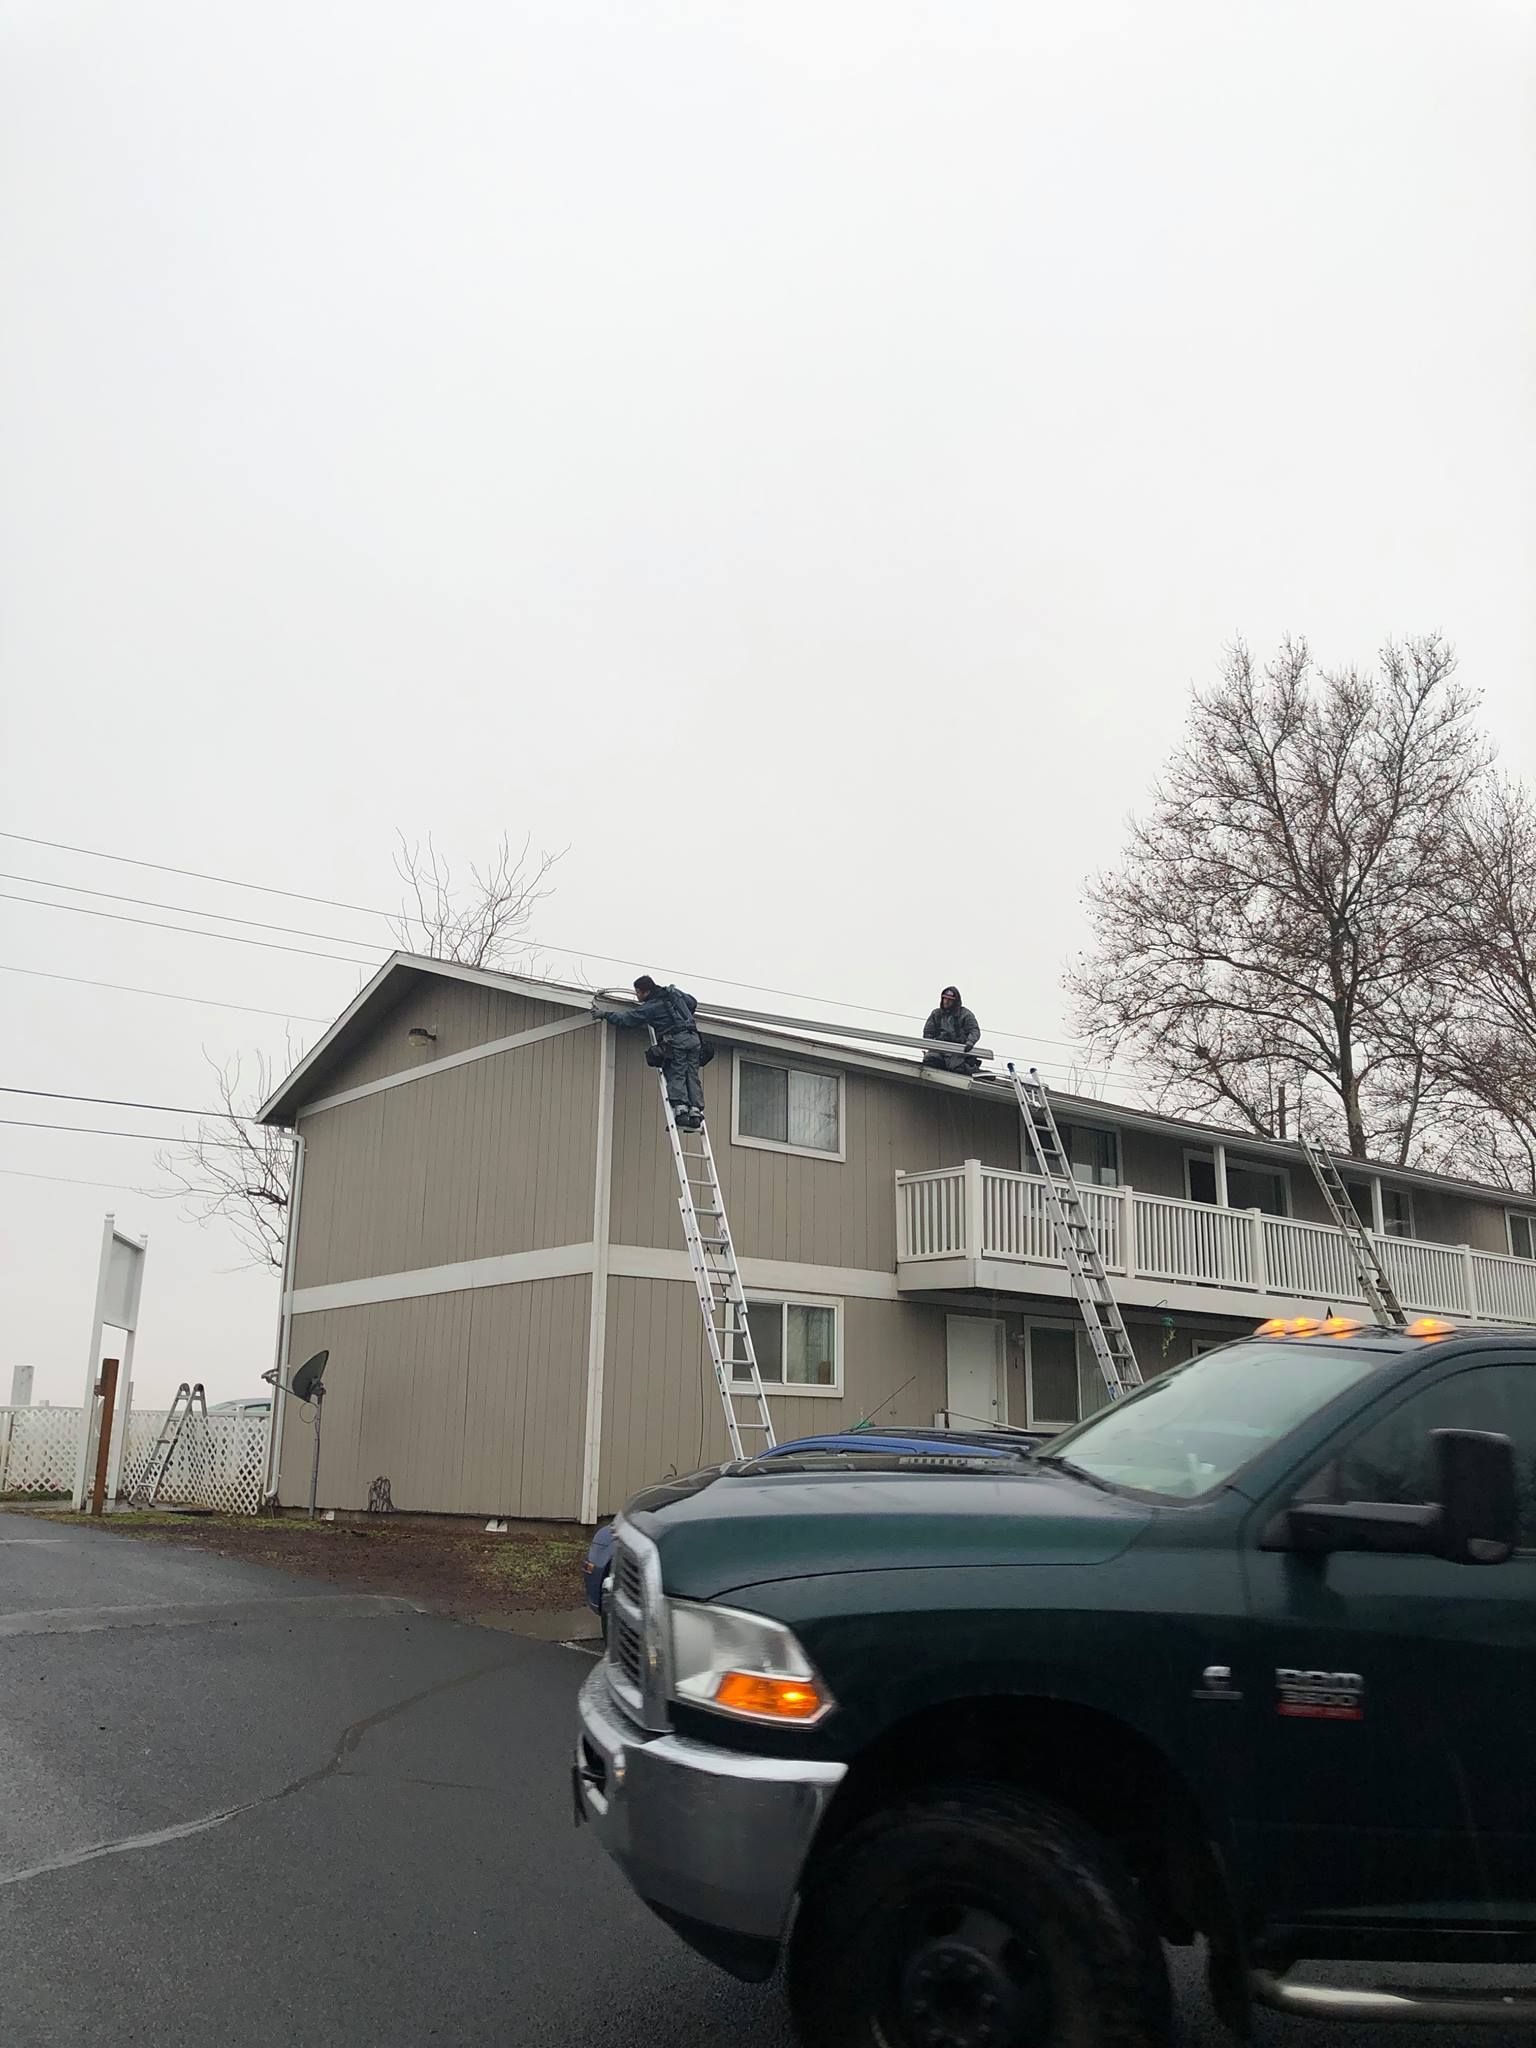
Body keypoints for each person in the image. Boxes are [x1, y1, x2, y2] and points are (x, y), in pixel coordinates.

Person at [595, 975, 707, 1129]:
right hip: (695, 1040)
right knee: (692, 1074)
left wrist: (606, 1015)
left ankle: (681, 1111)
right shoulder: (674, 994)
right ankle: (695, 1112)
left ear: (645, 992)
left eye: (638, 992)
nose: (637, 996)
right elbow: (692, 1003)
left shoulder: (651, 1007)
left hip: (676, 1041)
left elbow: (629, 1019)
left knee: (677, 1072)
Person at [922, 985, 981, 1075]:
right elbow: (928, 1033)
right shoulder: (936, 1014)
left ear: (955, 1002)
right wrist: (932, 1044)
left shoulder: (965, 1015)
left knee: (956, 1068)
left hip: (958, 1051)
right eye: (945, 999)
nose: (946, 1002)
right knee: (930, 1060)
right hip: (939, 1049)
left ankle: (973, 1069)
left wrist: (970, 1042)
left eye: (950, 1000)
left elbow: (974, 1030)